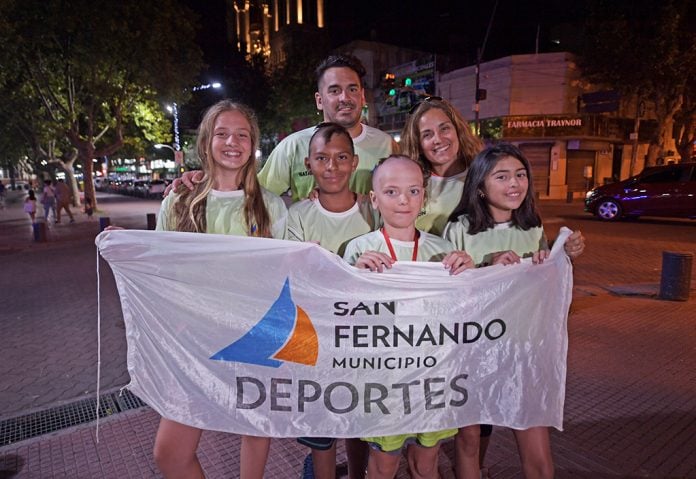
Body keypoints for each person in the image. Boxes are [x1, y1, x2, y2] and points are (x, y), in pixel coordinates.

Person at [152, 100, 287, 479]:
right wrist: (125, 248)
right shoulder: (178, 202)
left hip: (254, 338)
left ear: (254, 144)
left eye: (242, 135)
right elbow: (160, 273)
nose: (233, 142)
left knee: (254, 430)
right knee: (170, 454)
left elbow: (289, 273)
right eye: (222, 133)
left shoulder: (272, 206)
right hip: (195, 339)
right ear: (206, 142)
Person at [443, 143, 584, 479]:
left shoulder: (532, 227)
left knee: (533, 433)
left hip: (522, 349)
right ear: (479, 186)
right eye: (502, 176)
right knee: (469, 436)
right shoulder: (460, 228)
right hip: (473, 348)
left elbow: (543, 290)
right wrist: (485, 265)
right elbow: (449, 288)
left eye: (520, 175)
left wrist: (561, 259)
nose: (514, 184)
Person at [343, 155, 474, 479]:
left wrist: (469, 275)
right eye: (391, 192)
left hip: (432, 378)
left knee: (425, 463)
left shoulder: (442, 252)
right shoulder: (359, 250)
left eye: (413, 191)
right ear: (373, 199)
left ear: (424, 197)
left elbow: (464, 314)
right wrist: (355, 278)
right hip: (383, 380)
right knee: (383, 464)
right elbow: (342, 320)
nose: (403, 200)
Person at [168, 54, 396, 202]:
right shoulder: (294, 146)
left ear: (363, 96)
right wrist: (205, 180)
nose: (345, 97)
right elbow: (252, 193)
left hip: (371, 265)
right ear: (319, 100)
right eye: (334, 90)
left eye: (353, 89)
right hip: (311, 264)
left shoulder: (387, 146)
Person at [287, 122, 378, 479]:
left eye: (341, 157)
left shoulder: (374, 212)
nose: (332, 166)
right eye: (322, 158)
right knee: (321, 431)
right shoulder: (297, 215)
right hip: (317, 339)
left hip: (366, 339)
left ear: (354, 162)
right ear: (308, 164)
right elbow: (296, 277)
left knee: (360, 424)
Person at [400, 96, 484, 236]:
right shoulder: (411, 183)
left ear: (458, 130)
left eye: (444, 129)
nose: (438, 140)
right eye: (427, 135)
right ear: (418, 144)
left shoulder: (483, 177)